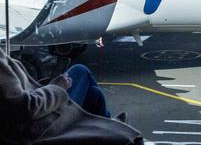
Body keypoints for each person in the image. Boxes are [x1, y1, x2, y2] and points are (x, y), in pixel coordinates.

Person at [0, 47, 142, 144]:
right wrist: (56, 87)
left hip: (34, 118)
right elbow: (25, 108)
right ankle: (109, 126)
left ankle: (107, 125)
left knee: (94, 94)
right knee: (80, 71)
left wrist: (46, 86)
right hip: (37, 127)